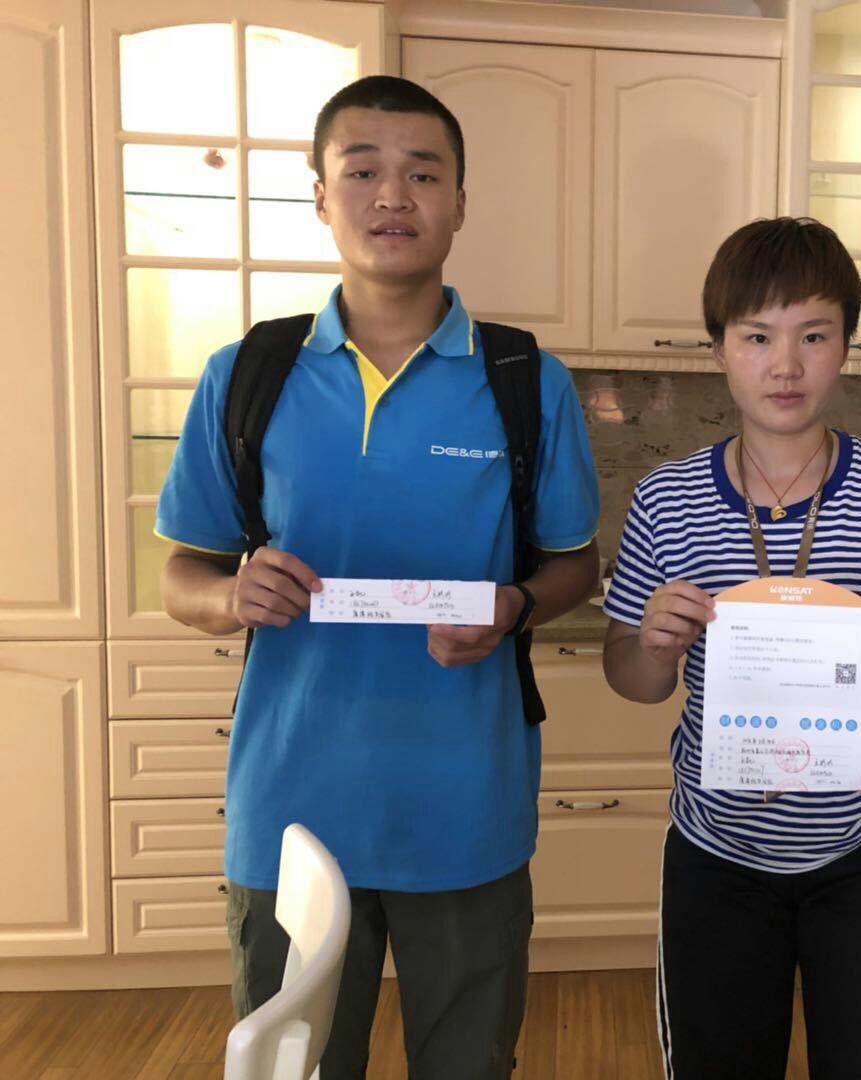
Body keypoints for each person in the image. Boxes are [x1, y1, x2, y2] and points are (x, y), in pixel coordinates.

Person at [157, 75, 600, 1079]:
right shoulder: (248, 373)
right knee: (299, 1067)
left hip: (468, 807)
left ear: (460, 203)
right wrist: (229, 596)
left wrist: (518, 604)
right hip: (291, 811)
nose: (393, 195)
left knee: (468, 1065)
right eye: (362, 172)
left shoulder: (525, 380)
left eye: (423, 174)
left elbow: (576, 563)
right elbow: (182, 572)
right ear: (321, 196)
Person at [602, 217, 861, 1079]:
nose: (785, 365)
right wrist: (653, 646)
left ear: (846, 344)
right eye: (757, 337)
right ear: (718, 349)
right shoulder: (667, 499)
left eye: (813, 335)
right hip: (716, 851)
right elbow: (632, 677)